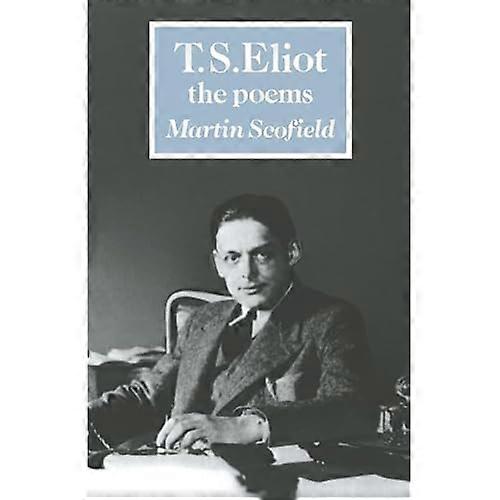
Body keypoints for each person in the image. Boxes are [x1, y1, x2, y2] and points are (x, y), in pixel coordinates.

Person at [88, 194, 377, 452]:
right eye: (233, 258)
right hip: (184, 473)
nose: (246, 273)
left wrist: (245, 426)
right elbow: (148, 396)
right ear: (218, 264)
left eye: (262, 255)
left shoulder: (332, 319)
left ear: (291, 252)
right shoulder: (203, 319)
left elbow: (352, 408)